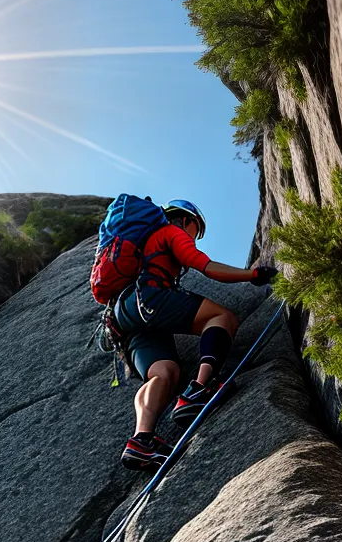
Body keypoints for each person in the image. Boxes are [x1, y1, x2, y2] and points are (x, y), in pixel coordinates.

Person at [113, 199, 277, 469]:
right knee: (221, 317)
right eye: (196, 230)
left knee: (164, 372)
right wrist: (253, 274)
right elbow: (208, 267)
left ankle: (142, 441)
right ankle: (199, 390)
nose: (194, 237)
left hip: (124, 316)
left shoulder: (142, 244)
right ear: (186, 220)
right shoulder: (172, 232)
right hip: (150, 296)